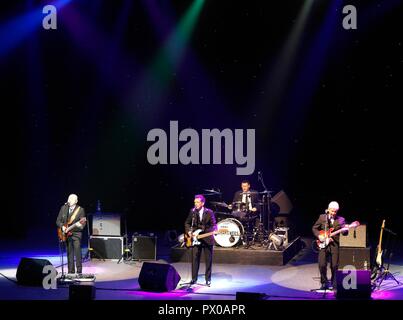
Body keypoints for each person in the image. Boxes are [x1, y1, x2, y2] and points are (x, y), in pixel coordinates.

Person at [312, 201, 347, 290]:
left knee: (334, 265)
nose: (334, 213)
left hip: (334, 244)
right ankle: (324, 282)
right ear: (328, 210)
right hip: (323, 244)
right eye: (332, 211)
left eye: (335, 211)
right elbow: (314, 228)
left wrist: (345, 230)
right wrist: (319, 236)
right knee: (322, 264)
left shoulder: (341, 220)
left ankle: (334, 282)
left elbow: (345, 233)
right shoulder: (322, 217)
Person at [184, 194, 217, 286]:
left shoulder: (209, 212)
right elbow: (187, 223)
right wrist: (189, 232)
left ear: (203, 203)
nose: (196, 204)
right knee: (194, 259)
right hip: (195, 238)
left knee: (208, 260)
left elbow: (214, 225)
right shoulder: (192, 211)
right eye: (195, 202)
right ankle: (194, 279)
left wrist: (208, 231)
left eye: (198, 202)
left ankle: (208, 279)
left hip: (207, 238)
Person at [56, 194, 86, 275]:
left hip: (76, 234)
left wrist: (79, 226)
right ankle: (70, 271)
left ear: (76, 201)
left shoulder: (80, 210)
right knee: (69, 253)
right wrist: (62, 227)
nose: (69, 200)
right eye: (69, 198)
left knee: (77, 253)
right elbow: (58, 221)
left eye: (72, 199)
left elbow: (83, 224)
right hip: (66, 234)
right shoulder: (63, 208)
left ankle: (79, 271)